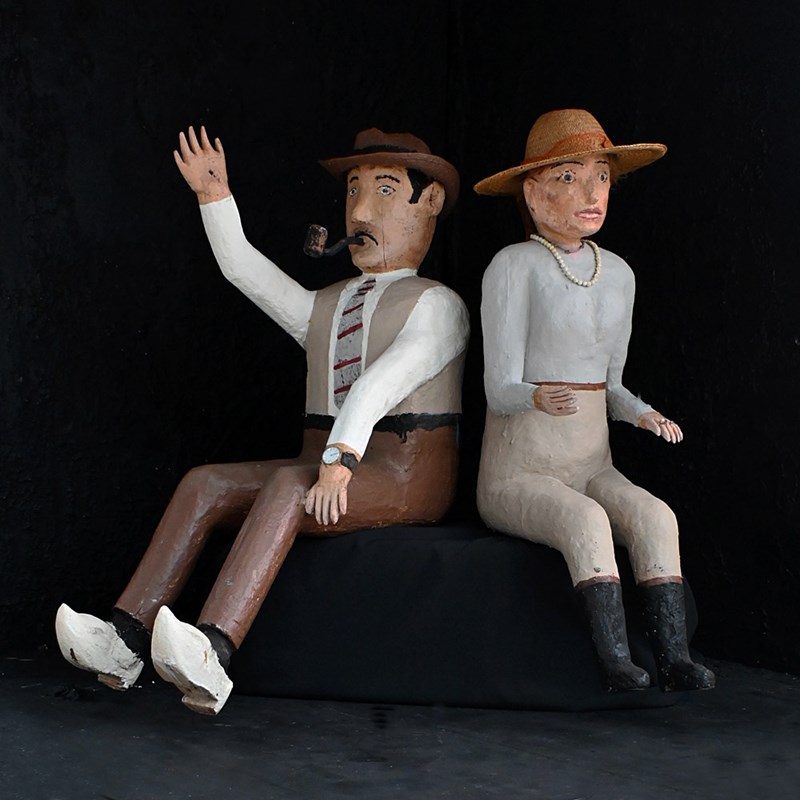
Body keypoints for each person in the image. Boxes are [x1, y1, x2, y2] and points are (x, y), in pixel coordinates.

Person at [56, 126, 469, 714]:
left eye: (384, 190)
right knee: (206, 482)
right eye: (353, 191)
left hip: (404, 471)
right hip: (326, 455)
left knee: (286, 487)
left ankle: (214, 650)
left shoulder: (439, 306)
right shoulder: (328, 303)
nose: (360, 211)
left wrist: (339, 461)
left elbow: (379, 384)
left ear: (429, 203)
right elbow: (245, 272)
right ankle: (124, 637)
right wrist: (214, 197)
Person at [474, 109, 714, 693]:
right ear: (533, 194)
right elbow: (498, 388)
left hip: (591, 465)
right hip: (518, 473)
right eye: (569, 177)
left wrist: (642, 413)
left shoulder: (619, 275)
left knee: (656, 516)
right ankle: (615, 661)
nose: (591, 193)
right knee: (586, 520)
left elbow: (612, 386)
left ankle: (674, 657)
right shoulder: (513, 266)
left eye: (601, 176)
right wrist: (536, 396)